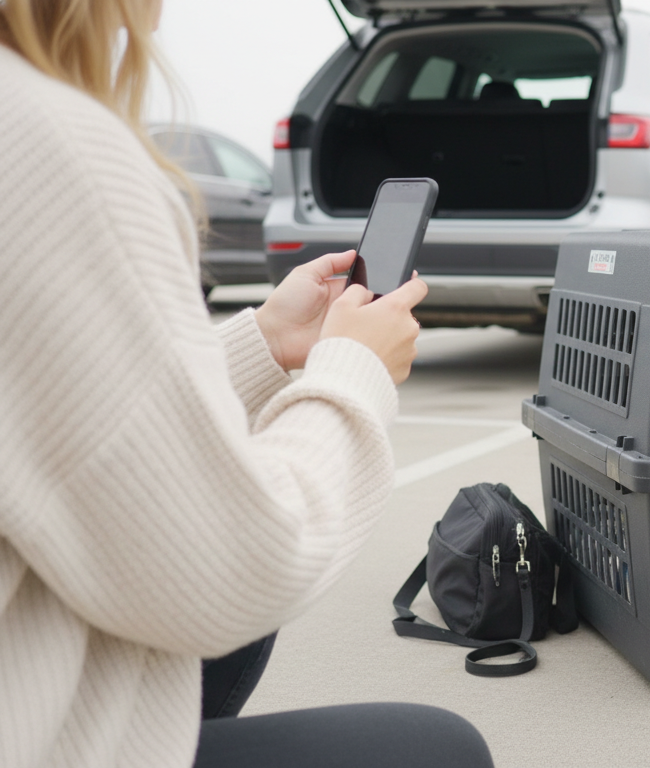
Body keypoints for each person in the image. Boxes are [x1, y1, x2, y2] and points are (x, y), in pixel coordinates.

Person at [0, 1, 493, 766]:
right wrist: (353, 375)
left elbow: (52, 399)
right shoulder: (55, 144)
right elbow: (236, 571)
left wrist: (264, 343)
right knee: (442, 749)